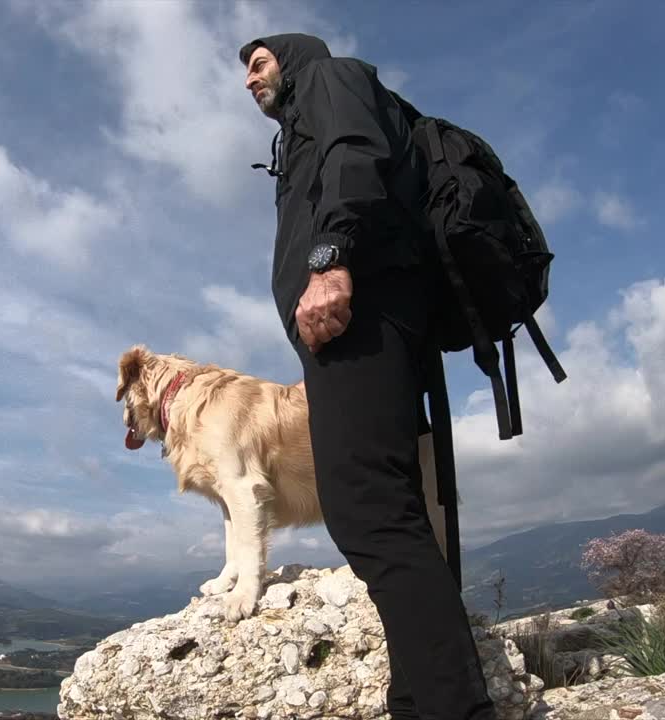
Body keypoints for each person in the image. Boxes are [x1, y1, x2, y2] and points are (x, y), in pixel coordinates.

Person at [239, 33, 497, 720]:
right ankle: (420, 700)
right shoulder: (299, 128)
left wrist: (330, 259)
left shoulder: (329, 78)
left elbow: (359, 155)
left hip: (361, 316)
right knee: (393, 512)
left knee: (366, 511)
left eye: (258, 63)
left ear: (290, 59)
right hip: (374, 316)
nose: (248, 79)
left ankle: (455, 708)